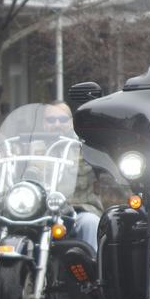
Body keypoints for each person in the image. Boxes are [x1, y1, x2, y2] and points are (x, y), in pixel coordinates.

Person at [42, 101, 103, 252]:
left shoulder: (86, 148)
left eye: (62, 119)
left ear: (71, 122)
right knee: (0, 229)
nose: (57, 123)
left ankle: (94, 271)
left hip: (79, 210)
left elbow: (108, 170)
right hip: (40, 213)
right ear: (44, 123)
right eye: (51, 120)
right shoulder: (30, 149)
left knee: (91, 223)